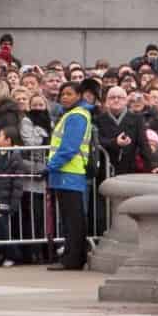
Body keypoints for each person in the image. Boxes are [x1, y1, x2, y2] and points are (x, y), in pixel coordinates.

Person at [45, 80, 96, 271]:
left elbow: (69, 148)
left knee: (73, 219)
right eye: (62, 94)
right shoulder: (73, 114)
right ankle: (72, 256)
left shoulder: (77, 116)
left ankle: (73, 259)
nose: (64, 97)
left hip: (70, 172)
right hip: (66, 173)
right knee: (69, 218)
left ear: (79, 95)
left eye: (69, 94)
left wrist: (51, 166)